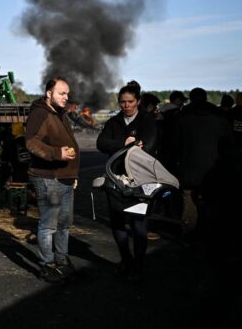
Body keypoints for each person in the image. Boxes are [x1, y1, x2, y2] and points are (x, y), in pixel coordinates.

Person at [96, 81, 159, 282]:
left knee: (139, 225)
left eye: (130, 101)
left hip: (141, 181)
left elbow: (147, 146)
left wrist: (125, 148)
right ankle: (126, 259)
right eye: (122, 102)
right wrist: (123, 144)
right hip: (116, 180)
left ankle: (138, 265)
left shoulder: (147, 122)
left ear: (138, 101)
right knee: (117, 222)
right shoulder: (113, 122)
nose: (126, 105)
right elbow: (101, 143)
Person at [25, 77, 79, 283]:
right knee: (49, 225)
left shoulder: (59, 113)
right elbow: (31, 142)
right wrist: (57, 153)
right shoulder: (40, 113)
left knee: (65, 222)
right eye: (61, 93)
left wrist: (73, 175)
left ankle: (62, 259)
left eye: (67, 94)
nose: (66, 97)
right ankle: (47, 265)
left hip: (65, 177)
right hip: (48, 178)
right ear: (49, 93)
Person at [172, 87, 233, 242]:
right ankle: (212, 236)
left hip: (189, 168)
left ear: (191, 99)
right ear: (206, 98)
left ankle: (190, 236)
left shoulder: (182, 117)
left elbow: (174, 145)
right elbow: (227, 146)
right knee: (212, 203)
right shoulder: (219, 117)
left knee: (189, 202)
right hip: (214, 169)